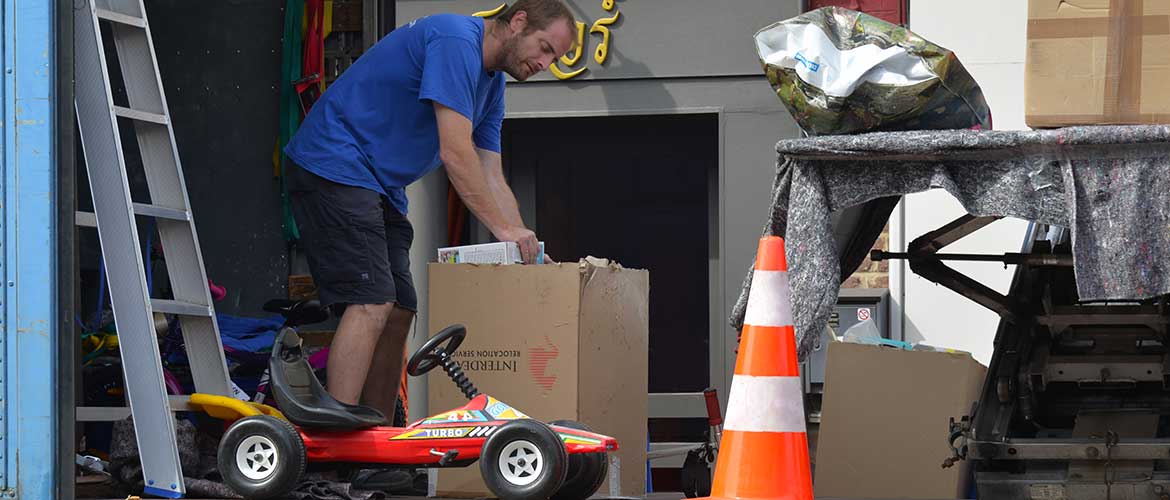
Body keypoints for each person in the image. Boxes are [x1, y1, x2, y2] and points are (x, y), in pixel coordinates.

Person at [281, 0, 577, 492]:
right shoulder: (454, 40)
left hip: (378, 185)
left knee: (400, 310)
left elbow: (489, 170)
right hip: (333, 164)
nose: (544, 65)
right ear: (519, 21)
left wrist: (523, 240)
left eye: (555, 59)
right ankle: (328, 450)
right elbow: (454, 151)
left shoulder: (493, 84)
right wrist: (501, 230)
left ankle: (374, 446)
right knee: (372, 299)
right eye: (545, 49)